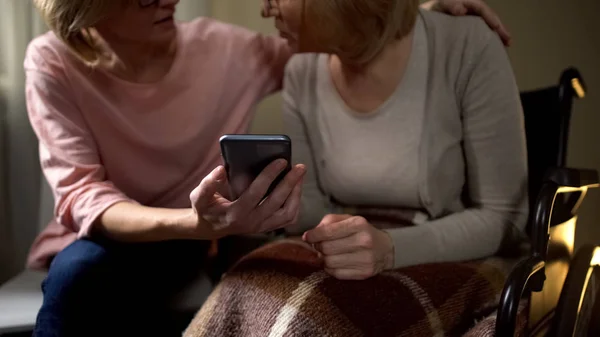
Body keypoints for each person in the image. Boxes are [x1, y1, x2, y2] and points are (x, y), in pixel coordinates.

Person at [24, 0, 510, 336]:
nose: (168, 0)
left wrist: (416, 13)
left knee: (262, 278)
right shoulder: (50, 62)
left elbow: (356, 30)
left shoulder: (236, 50)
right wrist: (194, 224)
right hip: (122, 234)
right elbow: (82, 195)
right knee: (75, 278)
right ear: (89, 9)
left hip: (205, 237)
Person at [183, 0, 528, 336]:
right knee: (243, 285)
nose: (265, 8)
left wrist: (391, 248)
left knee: (312, 318)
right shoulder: (301, 70)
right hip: (344, 245)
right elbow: (310, 213)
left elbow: (505, 217)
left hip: (453, 251)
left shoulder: (466, 44)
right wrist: (249, 197)